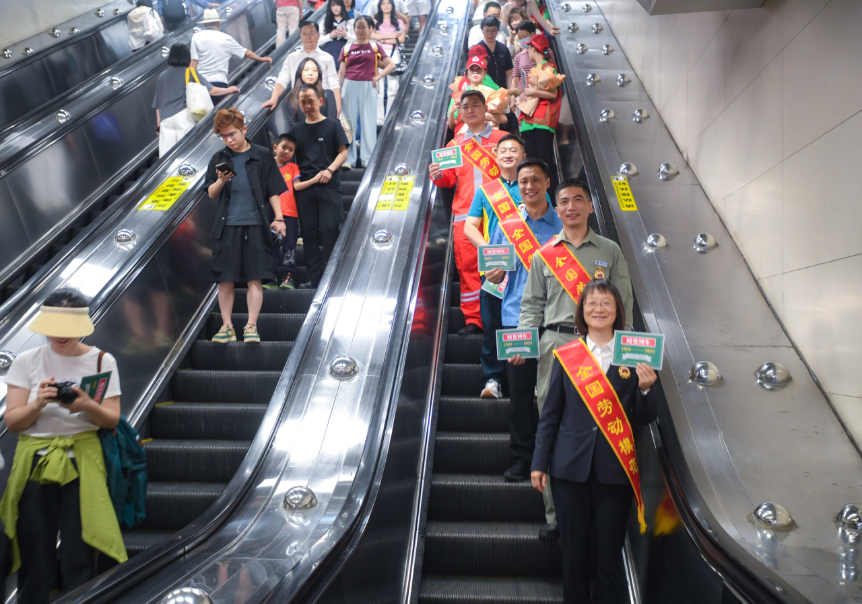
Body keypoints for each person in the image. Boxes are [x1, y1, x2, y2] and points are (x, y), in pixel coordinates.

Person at [516, 178, 634, 538]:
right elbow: (531, 305)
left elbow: (624, 303)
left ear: (590, 206)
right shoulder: (544, 254)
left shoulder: (610, 250)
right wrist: (523, 344)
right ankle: (556, 516)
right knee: (552, 423)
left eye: (578, 200)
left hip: (603, 345)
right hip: (556, 344)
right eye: (564, 201)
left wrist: (626, 351)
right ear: (557, 208)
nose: (571, 207)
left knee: (600, 423)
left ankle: (597, 513)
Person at [531, 279, 657, 603]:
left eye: (606, 303)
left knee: (609, 561)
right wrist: (539, 463)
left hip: (614, 472)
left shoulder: (634, 357)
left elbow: (644, 417)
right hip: (568, 471)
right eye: (592, 303)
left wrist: (645, 389)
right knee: (573, 561)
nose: (599, 309)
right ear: (582, 310)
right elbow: (550, 415)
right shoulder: (567, 355)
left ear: (617, 310)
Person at [0, 289, 127, 603]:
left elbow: (111, 419)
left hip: (83, 462)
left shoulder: (101, 360)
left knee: (80, 552)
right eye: (54, 327)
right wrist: (37, 403)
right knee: (33, 551)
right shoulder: (27, 361)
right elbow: (13, 422)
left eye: (68, 328)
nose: (60, 335)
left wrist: (85, 405)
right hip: (35, 462)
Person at [483, 159, 562, 486]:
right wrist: (493, 275)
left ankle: (555, 457)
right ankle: (521, 458)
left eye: (535, 180)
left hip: (558, 322)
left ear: (547, 183)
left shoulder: (562, 223)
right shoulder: (507, 225)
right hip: (517, 319)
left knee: (556, 394)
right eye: (524, 181)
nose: (529, 186)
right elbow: (493, 275)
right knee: (519, 394)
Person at [204, 108, 288, 344]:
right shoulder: (219, 158)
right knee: (225, 279)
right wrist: (221, 180)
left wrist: (279, 218)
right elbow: (211, 193)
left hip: (256, 225)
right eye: (223, 136)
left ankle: (251, 325)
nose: (228, 140)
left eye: (232, 134)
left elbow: (273, 190)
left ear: (244, 129)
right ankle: (227, 326)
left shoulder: (262, 155)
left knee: (255, 278)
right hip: (227, 226)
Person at [429, 89, 507, 335]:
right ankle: (474, 319)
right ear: (460, 112)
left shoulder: (502, 140)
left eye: (475, 105)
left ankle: (503, 316)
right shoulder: (454, 145)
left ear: (485, 109)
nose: (470, 110)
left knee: (501, 266)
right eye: (465, 107)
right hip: (465, 218)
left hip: (500, 216)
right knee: (468, 269)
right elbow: (448, 180)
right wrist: (437, 175)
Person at [463, 134, 527, 399]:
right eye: (503, 151)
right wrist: (491, 253)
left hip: (526, 271)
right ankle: (493, 379)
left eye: (514, 150)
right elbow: (470, 226)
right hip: (494, 270)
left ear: (523, 157)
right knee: (492, 326)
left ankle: (530, 379)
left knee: (528, 323)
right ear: (496, 157)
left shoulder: (531, 188)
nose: (508, 154)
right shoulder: (485, 190)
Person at [288, 85, 349, 289]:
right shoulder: (296, 130)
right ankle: (315, 280)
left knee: (330, 229)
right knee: (309, 234)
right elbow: (290, 158)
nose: (307, 106)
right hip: (305, 188)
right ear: (299, 104)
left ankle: (331, 278)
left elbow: (343, 152)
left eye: (311, 101)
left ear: (320, 101)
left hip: (329, 185)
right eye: (303, 102)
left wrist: (329, 170)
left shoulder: (333, 125)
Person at [153, 44, 239, 156]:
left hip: (165, 120)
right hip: (183, 117)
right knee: (186, 153)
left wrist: (159, 122)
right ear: (186, 57)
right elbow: (212, 90)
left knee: (167, 157)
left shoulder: (162, 76)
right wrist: (228, 90)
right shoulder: (189, 72)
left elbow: (158, 104)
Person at [337, 16, 396, 169]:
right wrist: (337, 92)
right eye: (358, 27)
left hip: (369, 86)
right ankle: (348, 159)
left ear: (371, 29)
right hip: (349, 86)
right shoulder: (347, 48)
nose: (361, 30)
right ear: (354, 29)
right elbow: (341, 72)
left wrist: (378, 76)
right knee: (348, 124)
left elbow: (391, 65)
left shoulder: (375, 46)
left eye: (364, 27)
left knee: (369, 122)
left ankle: (368, 158)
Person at [190, 8, 273, 102]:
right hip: (219, 83)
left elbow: (193, 64)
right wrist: (260, 58)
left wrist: (188, 83)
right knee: (219, 110)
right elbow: (246, 53)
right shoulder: (226, 38)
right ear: (218, 23)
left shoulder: (196, 37)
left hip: (201, 84)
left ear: (205, 24)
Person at [263, 20, 342, 117]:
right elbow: (282, 79)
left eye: (311, 33)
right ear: (300, 36)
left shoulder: (327, 58)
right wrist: (274, 98)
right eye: (304, 34)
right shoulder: (292, 58)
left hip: (322, 106)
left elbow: (334, 83)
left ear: (318, 35)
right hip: (299, 107)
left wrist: (338, 106)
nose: (308, 37)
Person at [518, 33, 562, 195]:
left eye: (528, 47)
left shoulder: (549, 68)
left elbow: (553, 94)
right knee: (531, 164)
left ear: (533, 49)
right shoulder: (534, 69)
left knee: (544, 163)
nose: (527, 51)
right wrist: (525, 95)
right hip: (529, 121)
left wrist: (532, 91)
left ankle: (550, 199)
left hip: (542, 121)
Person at [266, 133, 302, 290]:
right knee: (271, 245)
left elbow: (297, 185)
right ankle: (271, 276)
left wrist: (315, 180)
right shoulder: (267, 166)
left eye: (291, 150)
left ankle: (289, 276)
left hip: (290, 213)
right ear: (275, 147)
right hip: (270, 213)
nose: (287, 151)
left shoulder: (293, 167)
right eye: (284, 147)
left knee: (289, 246)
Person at [447, 47, 506, 133]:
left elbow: (504, 119)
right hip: (464, 137)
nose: (475, 72)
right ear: (467, 74)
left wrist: (487, 116)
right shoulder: (458, 96)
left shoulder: (492, 93)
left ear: (485, 73)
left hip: (487, 136)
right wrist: (451, 112)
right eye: (472, 69)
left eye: (479, 69)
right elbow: (452, 126)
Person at [279, 58, 338, 131]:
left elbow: (332, 121)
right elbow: (293, 126)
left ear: (319, 74)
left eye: (314, 70)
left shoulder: (328, 95)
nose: (310, 73)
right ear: (300, 73)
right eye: (306, 70)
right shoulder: (292, 97)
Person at [372, 0, 406, 126]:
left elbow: (401, 39)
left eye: (388, 3)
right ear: (379, 6)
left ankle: (390, 117)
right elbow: (372, 36)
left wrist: (383, 39)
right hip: (378, 55)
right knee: (379, 88)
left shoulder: (399, 22)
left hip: (394, 54)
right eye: (383, 3)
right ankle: (379, 119)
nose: (386, 6)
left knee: (393, 88)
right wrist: (392, 36)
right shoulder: (374, 21)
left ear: (392, 5)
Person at [510, 20, 555, 105]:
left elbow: (552, 75)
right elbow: (515, 81)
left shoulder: (546, 51)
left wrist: (534, 92)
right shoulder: (518, 57)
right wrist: (512, 100)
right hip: (522, 99)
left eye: (524, 37)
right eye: (519, 38)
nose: (522, 40)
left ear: (533, 34)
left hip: (541, 98)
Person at [473, 16, 513, 90]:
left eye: (493, 30)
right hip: (484, 91)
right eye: (487, 30)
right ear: (482, 30)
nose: (490, 34)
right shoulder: (476, 50)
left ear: (498, 30)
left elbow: (509, 72)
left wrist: (510, 91)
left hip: (502, 90)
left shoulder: (503, 48)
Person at [320, 0, 355, 65]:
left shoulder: (350, 21)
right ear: (329, 7)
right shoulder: (324, 22)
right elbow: (317, 41)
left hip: (346, 52)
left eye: (338, 5)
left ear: (342, 6)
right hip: (329, 52)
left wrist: (346, 35)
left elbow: (357, 39)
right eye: (333, 5)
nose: (335, 8)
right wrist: (330, 36)